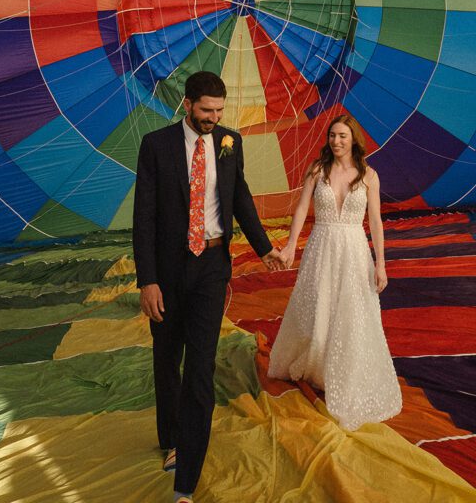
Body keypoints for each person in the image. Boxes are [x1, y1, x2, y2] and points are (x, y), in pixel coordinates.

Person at [132, 70, 284, 503]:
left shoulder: (230, 142)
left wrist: (264, 248)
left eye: (218, 111)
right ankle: (171, 438)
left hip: (212, 266)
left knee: (200, 367)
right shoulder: (156, 145)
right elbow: (144, 217)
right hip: (168, 269)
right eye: (205, 111)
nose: (213, 118)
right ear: (187, 105)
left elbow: (241, 199)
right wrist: (148, 281)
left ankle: (186, 483)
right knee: (168, 358)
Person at [268, 114, 402, 430]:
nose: (336, 141)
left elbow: (376, 221)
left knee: (351, 312)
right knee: (318, 307)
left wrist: (381, 264)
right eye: (332, 135)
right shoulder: (317, 170)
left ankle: (344, 371)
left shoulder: (369, 176)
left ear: (354, 139)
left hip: (354, 251)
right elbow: (302, 208)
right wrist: (290, 246)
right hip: (321, 246)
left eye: (342, 135)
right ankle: (316, 364)